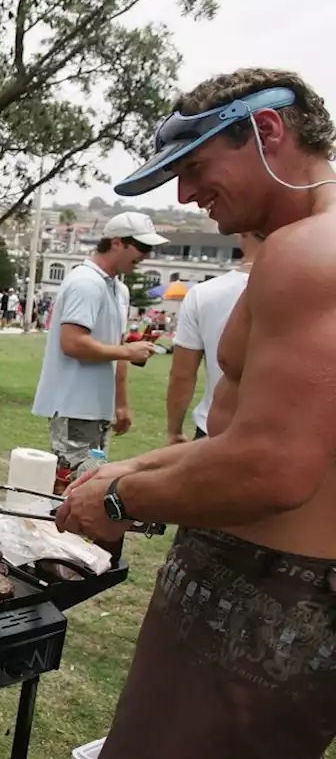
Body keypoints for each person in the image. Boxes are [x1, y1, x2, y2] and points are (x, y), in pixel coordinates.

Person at [57, 68, 336, 759]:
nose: (185, 194)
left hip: (271, 596)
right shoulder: (293, 254)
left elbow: (271, 468)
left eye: (195, 167)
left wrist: (121, 497)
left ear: (268, 131)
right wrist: (131, 468)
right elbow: (244, 434)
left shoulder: (311, 254)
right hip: (250, 584)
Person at [31, 212, 165, 489]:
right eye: (141, 247)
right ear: (117, 243)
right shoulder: (86, 282)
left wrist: (121, 403)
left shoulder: (118, 288)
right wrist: (128, 352)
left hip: (97, 409)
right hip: (74, 404)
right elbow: (72, 343)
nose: (145, 255)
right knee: (73, 486)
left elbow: (118, 346)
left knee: (91, 480)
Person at [165, 232, 261, 443]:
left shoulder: (204, 293)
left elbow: (182, 374)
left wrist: (174, 430)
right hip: (284, 434)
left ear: (242, 234)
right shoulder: (314, 287)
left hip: (214, 429)